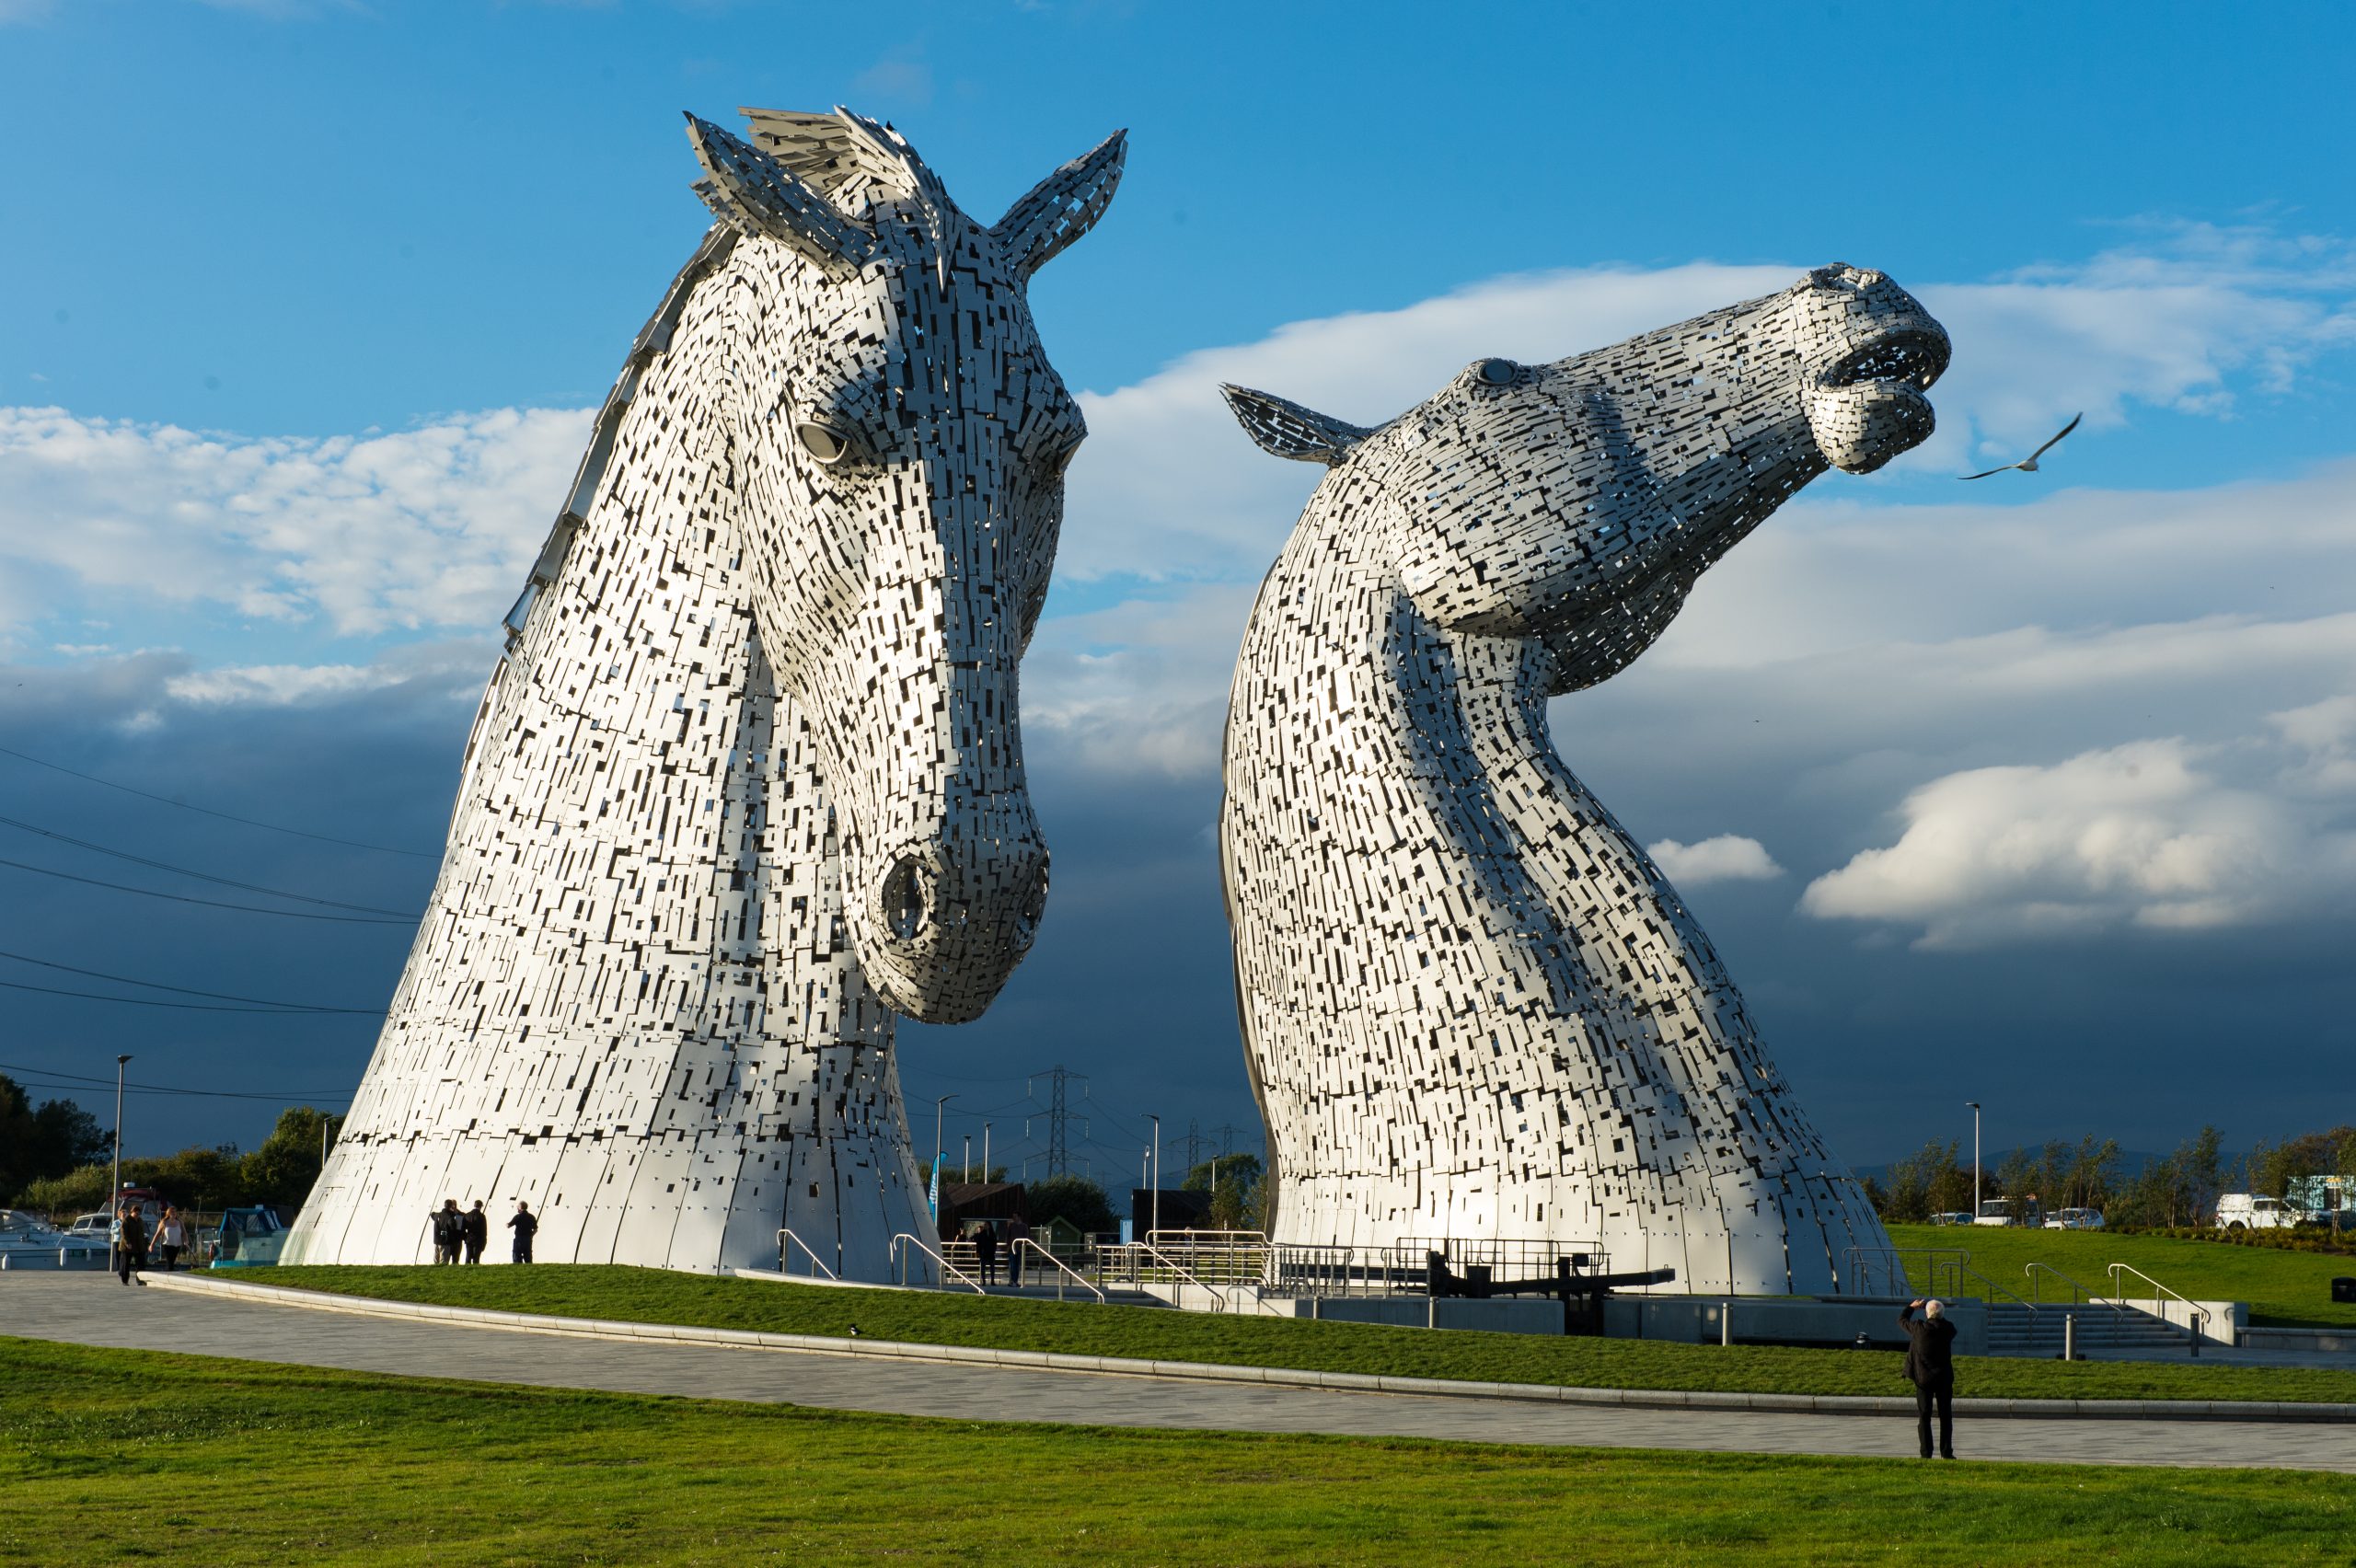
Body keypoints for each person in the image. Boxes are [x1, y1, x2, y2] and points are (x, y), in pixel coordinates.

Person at [1900, 1297, 1959, 1459]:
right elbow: (1944, 1321)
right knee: (1945, 1416)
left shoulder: (1919, 1328)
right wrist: (1937, 1313)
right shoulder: (1949, 1329)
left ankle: (1926, 1452)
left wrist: (1912, 1307)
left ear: (1927, 1314)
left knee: (1924, 1416)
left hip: (1923, 1379)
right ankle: (1946, 1452)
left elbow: (1902, 1320)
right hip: (1944, 1378)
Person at [117, 1204, 149, 1286]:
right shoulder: (126, 1220)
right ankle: (125, 1281)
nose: (137, 1215)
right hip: (127, 1246)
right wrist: (127, 1243)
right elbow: (123, 1232)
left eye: (139, 1213)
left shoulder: (140, 1220)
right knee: (126, 1264)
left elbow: (142, 1233)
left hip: (139, 1246)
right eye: (136, 1213)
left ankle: (140, 1281)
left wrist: (145, 1244)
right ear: (132, 1212)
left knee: (140, 1264)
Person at [155, 1206, 188, 1272]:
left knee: (171, 1262)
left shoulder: (179, 1222)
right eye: (172, 1212)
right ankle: (169, 1274)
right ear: (168, 1213)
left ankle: (166, 1273)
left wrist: (186, 1241)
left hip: (177, 1245)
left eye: (175, 1212)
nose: (174, 1213)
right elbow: (157, 1234)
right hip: (167, 1245)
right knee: (170, 1262)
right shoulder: (164, 1222)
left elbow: (184, 1233)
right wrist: (152, 1245)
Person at [507, 1200, 537, 1264]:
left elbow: (509, 1225)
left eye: (518, 1206)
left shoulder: (517, 1216)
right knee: (528, 1257)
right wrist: (531, 1236)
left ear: (520, 1207)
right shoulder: (532, 1217)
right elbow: (535, 1229)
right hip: (528, 1239)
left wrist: (506, 1224)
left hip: (518, 1239)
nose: (517, 1207)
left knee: (517, 1256)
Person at [1007, 1215, 1033, 1287]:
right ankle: (1012, 1281)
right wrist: (1008, 1245)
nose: (1014, 1218)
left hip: (1020, 1248)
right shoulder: (1011, 1226)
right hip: (1012, 1248)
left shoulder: (1024, 1226)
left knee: (1017, 1265)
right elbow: (1008, 1236)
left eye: (1015, 1216)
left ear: (1019, 1217)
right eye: (1013, 1217)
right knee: (1012, 1265)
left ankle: (1015, 1281)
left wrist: (1023, 1246)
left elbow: (1026, 1237)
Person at [462, 1201, 489, 1265]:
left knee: (468, 1257)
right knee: (476, 1258)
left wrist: (465, 1237)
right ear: (481, 1206)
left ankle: (466, 1271)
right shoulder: (482, 1216)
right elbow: (484, 1230)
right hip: (478, 1240)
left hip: (468, 1239)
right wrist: (484, 1241)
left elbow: (462, 1228)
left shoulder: (467, 1215)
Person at [974, 1219, 999, 1286]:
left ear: (989, 1226)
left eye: (986, 1225)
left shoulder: (992, 1233)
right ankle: (984, 1281)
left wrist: (994, 1250)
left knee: (992, 1267)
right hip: (983, 1252)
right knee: (983, 1267)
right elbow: (978, 1243)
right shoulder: (981, 1234)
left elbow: (995, 1243)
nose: (985, 1226)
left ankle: (992, 1281)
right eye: (984, 1225)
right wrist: (978, 1252)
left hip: (991, 1252)